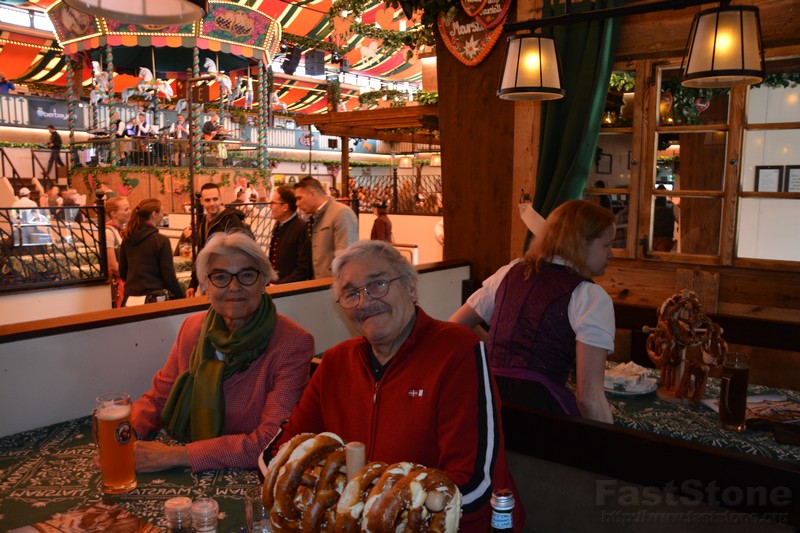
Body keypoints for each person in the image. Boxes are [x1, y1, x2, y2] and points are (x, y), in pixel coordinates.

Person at [260, 241, 525, 531]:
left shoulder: (458, 351)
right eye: (351, 293)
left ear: (411, 287)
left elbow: (474, 486)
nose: (364, 302)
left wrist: (378, 515)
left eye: (379, 284)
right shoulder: (335, 363)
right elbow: (280, 454)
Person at [130, 231, 314, 472]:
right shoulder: (192, 329)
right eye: (220, 277)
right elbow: (158, 397)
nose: (234, 287)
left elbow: (271, 440)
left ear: (264, 281)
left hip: (246, 477)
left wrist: (177, 456)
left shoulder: (292, 343)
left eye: (247, 275)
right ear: (206, 284)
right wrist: (127, 434)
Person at [486, 199, 615, 423]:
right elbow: (589, 398)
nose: (611, 254)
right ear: (581, 243)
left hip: (488, 403)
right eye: (606, 245)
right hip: (540, 413)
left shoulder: (509, 273)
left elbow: (454, 325)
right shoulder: (589, 297)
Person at [185, 183, 250, 297]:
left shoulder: (231, 220)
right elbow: (201, 254)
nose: (212, 203)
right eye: (208, 200)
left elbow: (240, 254)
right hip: (211, 280)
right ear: (202, 202)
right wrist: (193, 283)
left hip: (228, 283)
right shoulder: (204, 221)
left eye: (215, 199)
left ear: (221, 199)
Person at [119, 198, 185, 305]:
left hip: (130, 298)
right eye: (162, 212)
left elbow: (122, 273)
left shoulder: (127, 239)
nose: (163, 215)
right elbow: (169, 277)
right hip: (154, 299)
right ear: (154, 214)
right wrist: (182, 298)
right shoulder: (161, 241)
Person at [293, 176, 358, 279]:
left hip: (333, 287)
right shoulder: (314, 217)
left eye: (299, 198)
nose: (297, 203)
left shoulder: (341, 213)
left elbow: (345, 258)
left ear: (312, 194)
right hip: (318, 287)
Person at [267, 185, 311, 284]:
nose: (270, 206)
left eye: (273, 203)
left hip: (290, 289)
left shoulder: (301, 227)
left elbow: (303, 268)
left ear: (285, 207)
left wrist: (281, 286)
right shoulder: (278, 224)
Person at [105, 197, 131, 308]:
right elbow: (113, 266)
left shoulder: (122, 230)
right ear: (114, 213)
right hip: (118, 282)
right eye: (126, 209)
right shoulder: (108, 232)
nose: (129, 212)